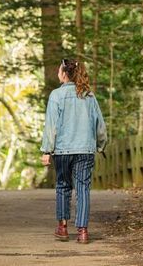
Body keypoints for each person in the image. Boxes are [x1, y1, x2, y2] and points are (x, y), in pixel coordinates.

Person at [40, 58, 108, 244]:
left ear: (64, 74)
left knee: (63, 186)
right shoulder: (89, 95)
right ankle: (83, 231)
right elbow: (99, 124)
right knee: (83, 188)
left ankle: (62, 228)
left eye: (59, 71)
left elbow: (51, 125)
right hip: (85, 150)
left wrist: (47, 150)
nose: (58, 74)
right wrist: (101, 145)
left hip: (62, 150)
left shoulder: (56, 95)